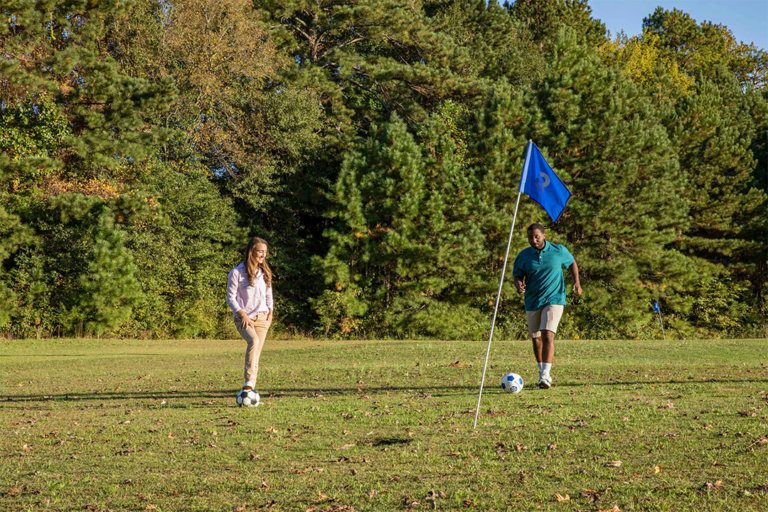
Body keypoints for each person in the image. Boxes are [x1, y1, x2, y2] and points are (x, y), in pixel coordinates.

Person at [512, 223, 581, 389]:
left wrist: (576, 282)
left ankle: (545, 376)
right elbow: (517, 275)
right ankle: (541, 370)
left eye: (537, 236)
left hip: (555, 298)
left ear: (544, 235)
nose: (534, 240)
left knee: (547, 334)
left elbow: (571, 262)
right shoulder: (524, 256)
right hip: (533, 300)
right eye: (531, 237)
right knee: (536, 338)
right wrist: (519, 284)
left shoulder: (558, 250)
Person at [226, 237, 274, 395]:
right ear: (251, 251)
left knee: (257, 352)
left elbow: (268, 294)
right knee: (253, 341)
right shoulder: (236, 273)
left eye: (265, 252)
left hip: (263, 317)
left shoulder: (264, 272)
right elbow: (230, 298)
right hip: (244, 319)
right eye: (260, 251)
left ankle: (251, 387)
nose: (263, 255)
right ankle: (248, 383)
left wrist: (270, 312)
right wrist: (243, 314)